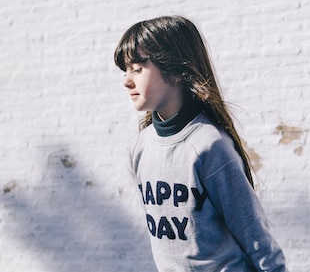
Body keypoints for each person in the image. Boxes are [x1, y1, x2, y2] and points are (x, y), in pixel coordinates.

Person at [114, 16, 288, 272]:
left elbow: (254, 233)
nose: (127, 81)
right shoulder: (141, 148)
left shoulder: (208, 145)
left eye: (138, 69)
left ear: (174, 71)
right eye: (126, 70)